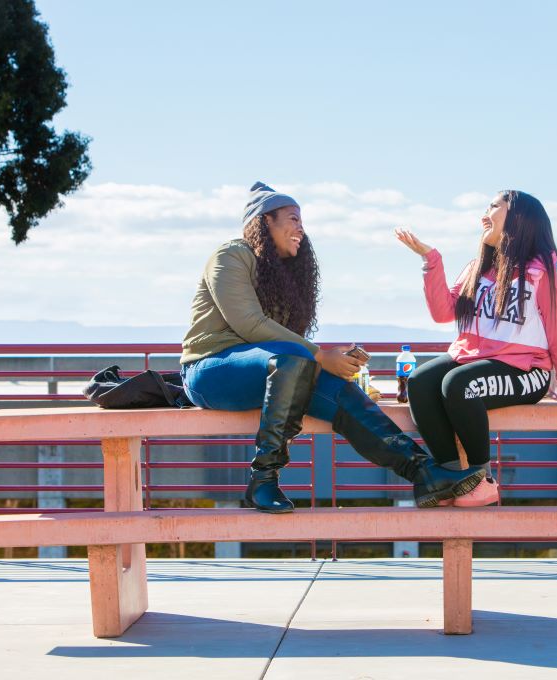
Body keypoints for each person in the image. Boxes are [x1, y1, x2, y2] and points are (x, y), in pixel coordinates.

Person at [179, 182, 484, 513]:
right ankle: (263, 479)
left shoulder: (281, 273)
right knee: (298, 359)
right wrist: (321, 356)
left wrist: (333, 361)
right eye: (292, 218)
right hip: (209, 371)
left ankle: (423, 472)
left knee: (340, 391)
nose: (300, 229)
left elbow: (286, 351)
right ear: (266, 221)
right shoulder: (231, 255)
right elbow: (249, 324)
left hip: (274, 371)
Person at [395, 190, 557, 507]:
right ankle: (451, 480)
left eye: (494, 206)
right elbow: (442, 312)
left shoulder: (543, 271)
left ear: (519, 217)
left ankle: (481, 481)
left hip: (527, 370)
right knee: (421, 382)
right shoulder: (478, 268)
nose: (484, 214)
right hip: (472, 360)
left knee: (460, 385)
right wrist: (431, 260)